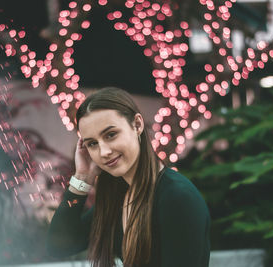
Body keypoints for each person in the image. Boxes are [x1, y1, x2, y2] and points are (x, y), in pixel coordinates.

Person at [48, 87, 210, 267]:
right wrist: (82, 179)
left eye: (111, 135)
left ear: (137, 125)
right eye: (92, 144)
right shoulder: (117, 197)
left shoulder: (176, 197)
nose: (104, 152)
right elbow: (59, 245)